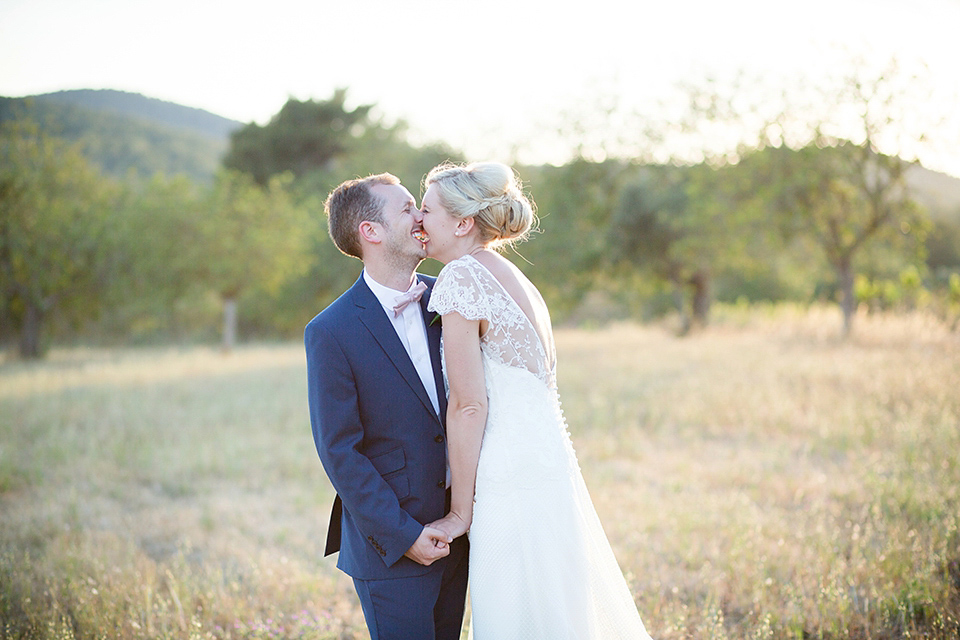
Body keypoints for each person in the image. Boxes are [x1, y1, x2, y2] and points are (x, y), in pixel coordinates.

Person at [419, 162, 653, 639]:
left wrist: (460, 511)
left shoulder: (462, 277)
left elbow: (468, 405)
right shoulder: (514, 277)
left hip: (507, 471)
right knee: (552, 604)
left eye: (426, 210)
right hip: (545, 464)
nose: (418, 221)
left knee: (516, 608)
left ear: (462, 223)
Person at [304, 173, 468, 640]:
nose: (420, 216)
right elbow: (340, 451)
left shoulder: (454, 296)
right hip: (393, 547)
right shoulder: (330, 331)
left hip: (460, 533)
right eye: (406, 208)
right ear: (370, 232)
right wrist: (404, 536)